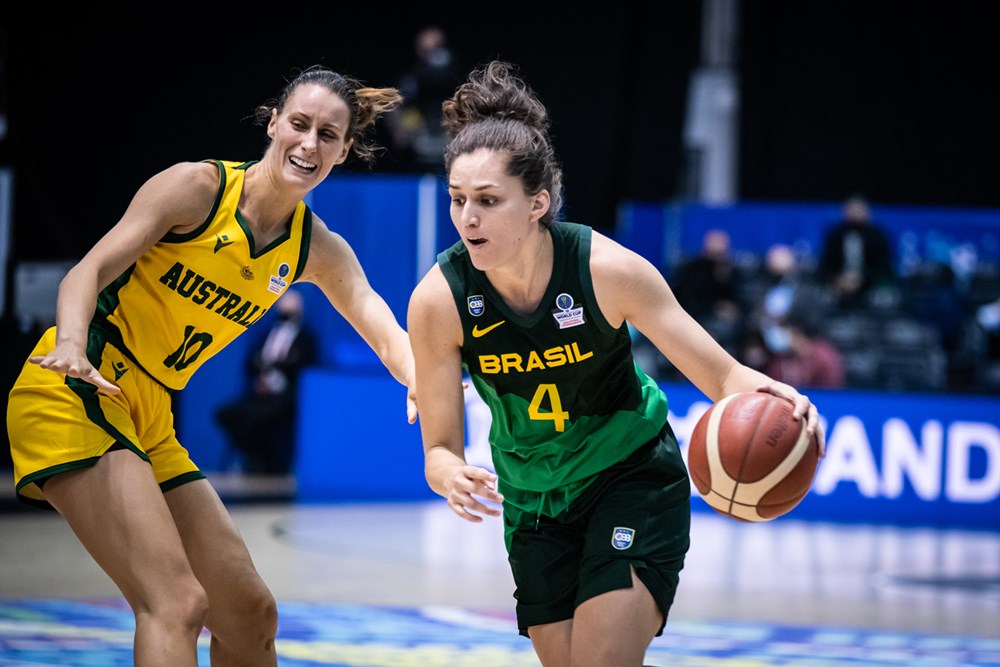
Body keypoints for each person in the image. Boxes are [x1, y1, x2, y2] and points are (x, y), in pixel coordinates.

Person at [406, 60, 825, 667]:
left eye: (488, 200)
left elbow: (724, 376)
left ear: (536, 203)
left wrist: (783, 400)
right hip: (532, 502)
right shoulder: (438, 301)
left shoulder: (607, 271)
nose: (467, 218)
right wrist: (446, 473)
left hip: (629, 476)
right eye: (458, 200)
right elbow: (440, 446)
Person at [6, 65, 416, 666]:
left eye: (328, 135)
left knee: (250, 617)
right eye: (298, 124)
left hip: (149, 417)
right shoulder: (197, 189)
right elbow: (85, 272)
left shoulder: (315, 247)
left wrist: (421, 382)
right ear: (273, 122)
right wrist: (69, 342)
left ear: (344, 150)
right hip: (77, 382)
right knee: (174, 603)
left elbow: (379, 323)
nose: (309, 143)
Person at [215, 288, 317, 475]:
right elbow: (252, 361)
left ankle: (266, 462)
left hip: (286, 395)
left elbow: (305, 367)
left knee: (257, 418)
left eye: (290, 312)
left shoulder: (307, 338)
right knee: (227, 414)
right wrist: (261, 372)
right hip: (259, 392)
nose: (285, 316)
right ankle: (255, 457)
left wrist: (278, 367)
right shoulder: (267, 333)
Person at [386, 25, 462, 173]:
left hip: (453, 150)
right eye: (426, 50)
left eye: (436, 49)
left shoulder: (461, 80)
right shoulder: (410, 81)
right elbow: (394, 109)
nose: (431, 56)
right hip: (417, 154)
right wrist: (401, 130)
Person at [816, 194, 895, 309]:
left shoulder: (877, 236)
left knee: (884, 298)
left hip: (869, 284)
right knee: (823, 297)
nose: (855, 213)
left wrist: (861, 279)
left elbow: (883, 266)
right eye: (852, 209)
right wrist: (838, 279)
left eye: (859, 209)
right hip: (839, 283)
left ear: (867, 212)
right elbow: (826, 265)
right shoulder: (835, 235)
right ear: (845, 211)